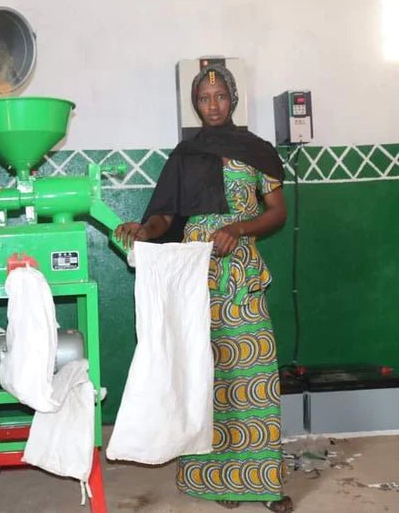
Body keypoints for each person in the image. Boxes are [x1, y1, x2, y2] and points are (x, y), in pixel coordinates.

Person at [115, 64, 293, 513]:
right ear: (195, 104)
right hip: (195, 276)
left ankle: (262, 484)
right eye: (203, 98)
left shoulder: (258, 152)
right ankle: (216, 481)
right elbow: (166, 218)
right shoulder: (185, 154)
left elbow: (276, 212)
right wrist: (144, 229)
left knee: (253, 372)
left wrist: (240, 226)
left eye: (220, 96)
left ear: (233, 99)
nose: (212, 105)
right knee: (203, 373)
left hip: (241, 272)